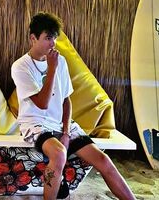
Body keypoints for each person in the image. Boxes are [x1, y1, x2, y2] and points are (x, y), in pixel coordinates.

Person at [11, 12, 136, 200]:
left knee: (103, 160)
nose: (53, 43)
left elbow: (66, 100)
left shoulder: (60, 61)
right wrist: (51, 69)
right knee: (59, 153)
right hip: (34, 123)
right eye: (47, 38)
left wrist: (66, 132)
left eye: (54, 38)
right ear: (33, 38)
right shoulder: (21, 66)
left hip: (60, 123)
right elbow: (42, 103)